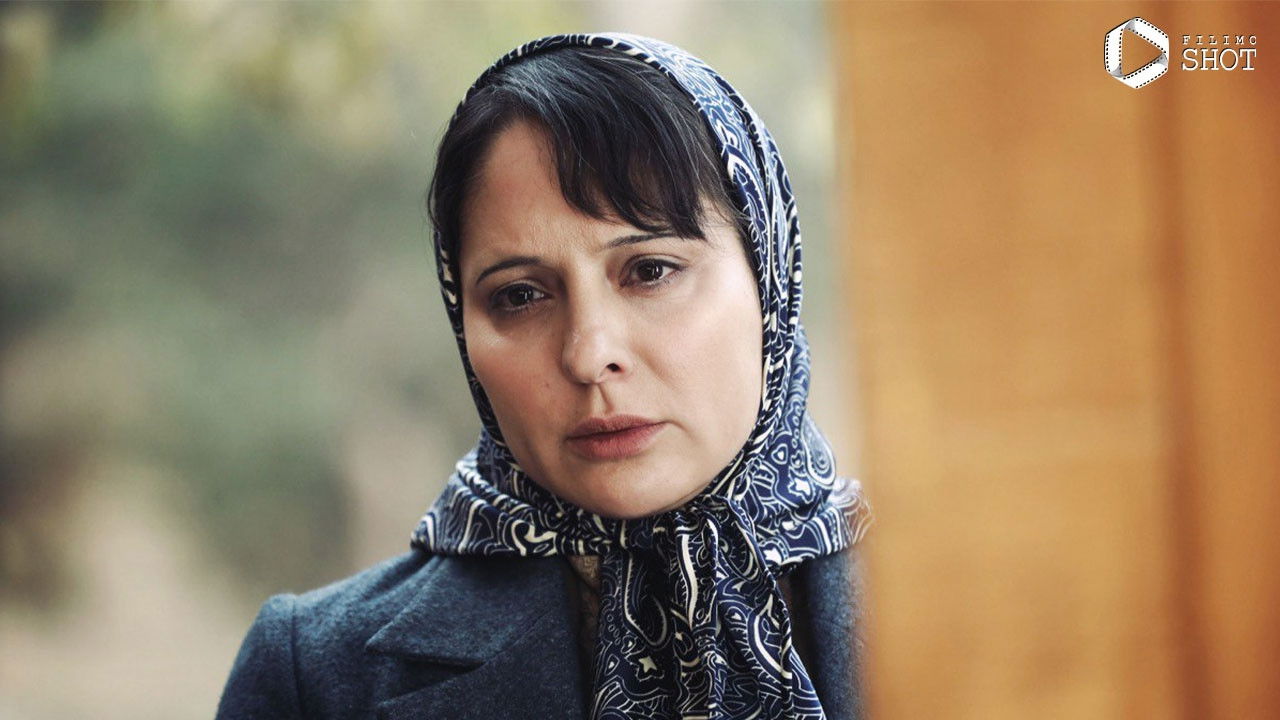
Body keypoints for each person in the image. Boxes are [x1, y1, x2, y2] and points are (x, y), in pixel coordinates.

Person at [215, 32, 872, 720]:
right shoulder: (317, 674)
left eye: (650, 271)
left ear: (768, 281)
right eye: (521, 295)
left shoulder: (946, 602)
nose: (588, 356)